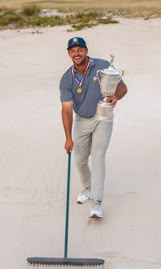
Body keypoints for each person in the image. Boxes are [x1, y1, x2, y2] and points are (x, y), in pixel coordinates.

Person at [59, 37, 127, 218]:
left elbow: (123, 87)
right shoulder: (66, 79)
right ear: (69, 54)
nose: (76, 53)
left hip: (103, 118)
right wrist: (68, 137)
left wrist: (116, 97)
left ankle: (96, 203)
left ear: (86, 50)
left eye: (80, 49)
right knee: (80, 159)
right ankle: (88, 188)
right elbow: (66, 109)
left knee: (97, 157)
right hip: (81, 119)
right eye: (73, 51)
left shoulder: (102, 65)